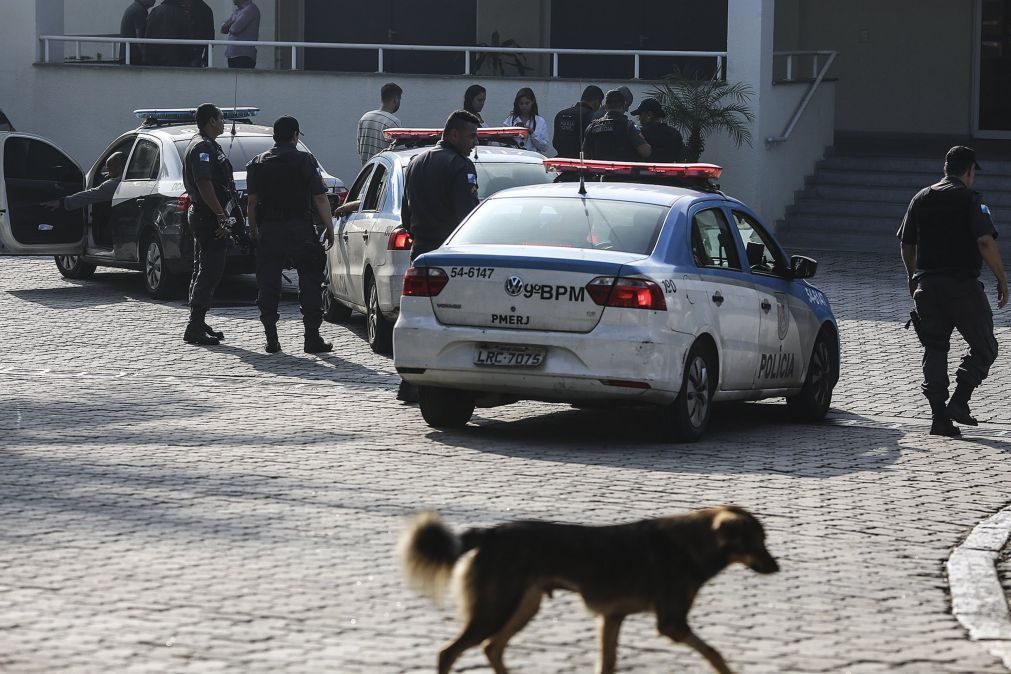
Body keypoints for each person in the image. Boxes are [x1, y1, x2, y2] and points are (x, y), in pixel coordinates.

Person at [898, 146, 1008, 436]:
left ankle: (939, 418)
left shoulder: (921, 198)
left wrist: (912, 276)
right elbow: (985, 241)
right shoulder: (971, 199)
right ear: (969, 170)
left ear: (946, 168)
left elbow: (907, 244)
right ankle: (959, 402)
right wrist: (1002, 279)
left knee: (935, 349)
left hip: (928, 287)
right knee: (985, 347)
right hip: (963, 288)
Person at [397, 109, 481, 401]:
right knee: (452, 320)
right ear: (454, 134)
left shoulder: (416, 161)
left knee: (418, 318)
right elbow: (466, 215)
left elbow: (405, 214)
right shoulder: (460, 165)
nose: (474, 143)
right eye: (471, 136)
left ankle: (410, 383)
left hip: (421, 251)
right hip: (451, 255)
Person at [246, 116, 335, 354]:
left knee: (268, 283)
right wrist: (329, 226)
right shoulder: (305, 160)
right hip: (300, 229)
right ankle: (312, 338)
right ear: (295, 135)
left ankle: (271, 338)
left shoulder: (257, 163)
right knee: (310, 281)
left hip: (270, 229)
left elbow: (252, 202)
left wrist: (254, 230)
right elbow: (319, 197)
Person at [181, 103, 235, 347]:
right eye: (221, 118)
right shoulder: (202, 146)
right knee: (210, 269)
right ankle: (194, 325)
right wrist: (221, 215)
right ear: (211, 120)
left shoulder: (208, 144)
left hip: (205, 214)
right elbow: (204, 184)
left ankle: (198, 321)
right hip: (207, 216)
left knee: (202, 267)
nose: (224, 122)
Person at [581, 89, 651, 161]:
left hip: (599, 171)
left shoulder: (592, 126)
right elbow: (646, 152)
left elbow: (584, 155)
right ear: (624, 105)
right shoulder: (629, 126)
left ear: (605, 107)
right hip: (622, 171)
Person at [42, 153, 125, 210]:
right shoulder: (130, 178)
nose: (108, 175)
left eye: (110, 169)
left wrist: (63, 202)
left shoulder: (115, 185)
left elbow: (90, 195)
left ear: (119, 167)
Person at [357, 82, 402, 166]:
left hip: (366, 172)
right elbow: (397, 155)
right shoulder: (393, 122)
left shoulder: (364, 118)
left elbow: (360, 149)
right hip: (383, 175)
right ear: (395, 99)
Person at [552, 85, 603, 158]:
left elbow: (555, 143)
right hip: (582, 164)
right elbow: (594, 145)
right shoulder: (593, 117)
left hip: (561, 161)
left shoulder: (561, 114)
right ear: (596, 102)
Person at [631, 97, 686, 162]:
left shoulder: (641, 134)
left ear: (649, 115)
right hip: (669, 171)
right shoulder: (674, 133)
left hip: (645, 171)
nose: (639, 118)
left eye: (641, 115)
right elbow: (681, 160)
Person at [503, 87, 551, 154]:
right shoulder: (510, 120)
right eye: (521, 103)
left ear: (532, 102)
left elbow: (544, 147)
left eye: (527, 103)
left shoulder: (540, 122)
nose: (524, 106)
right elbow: (503, 143)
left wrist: (532, 133)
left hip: (532, 159)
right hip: (514, 157)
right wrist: (512, 133)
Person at [144, 0, 192, 67]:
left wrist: (146, 59)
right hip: (177, 60)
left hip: (155, 60)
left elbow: (148, 36)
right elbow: (187, 38)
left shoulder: (155, 11)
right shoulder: (182, 14)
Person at [221, 0, 260, 69]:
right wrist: (232, 22)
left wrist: (230, 22)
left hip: (244, 56)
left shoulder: (250, 9)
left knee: (242, 79)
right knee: (232, 79)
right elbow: (223, 29)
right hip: (232, 55)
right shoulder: (237, 11)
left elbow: (235, 29)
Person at [119, 0, 155, 65]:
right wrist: (144, 55)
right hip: (133, 57)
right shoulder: (140, 10)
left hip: (127, 55)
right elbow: (139, 36)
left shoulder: (135, 7)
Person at [189, 0, 214, 67]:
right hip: (198, 47)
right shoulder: (206, 9)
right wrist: (207, 57)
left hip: (188, 47)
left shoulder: (184, 7)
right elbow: (210, 34)